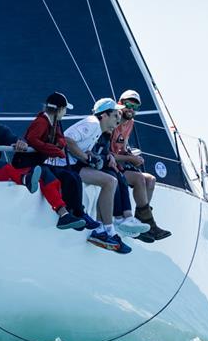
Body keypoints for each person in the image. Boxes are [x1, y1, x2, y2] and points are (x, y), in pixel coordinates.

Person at [0, 93, 85, 230]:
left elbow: (14, 138)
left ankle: (63, 214)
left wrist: (21, 142)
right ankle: (26, 179)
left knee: (44, 172)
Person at [55, 98, 150, 252]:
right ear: (104, 115)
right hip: (64, 166)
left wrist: (92, 156)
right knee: (110, 181)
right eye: (115, 115)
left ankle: (102, 230)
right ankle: (108, 230)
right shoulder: (92, 123)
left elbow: (80, 146)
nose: (118, 119)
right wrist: (87, 158)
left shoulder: (98, 129)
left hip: (72, 165)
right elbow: (67, 140)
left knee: (111, 180)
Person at [13, 92, 100, 231]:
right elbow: (33, 140)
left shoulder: (54, 123)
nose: (65, 113)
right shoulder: (41, 122)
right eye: (64, 109)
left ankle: (78, 212)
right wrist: (55, 150)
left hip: (40, 163)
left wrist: (57, 145)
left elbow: (61, 139)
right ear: (59, 110)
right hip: (28, 164)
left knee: (73, 177)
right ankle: (69, 213)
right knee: (58, 178)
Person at [113, 89, 171, 241]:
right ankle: (149, 224)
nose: (131, 109)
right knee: (139, 179)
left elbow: (123, 147)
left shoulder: (130, 122)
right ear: (120, 104)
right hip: (110, 165)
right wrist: (131, 160)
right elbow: (106, 153)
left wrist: (131, 156)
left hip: (120, 163)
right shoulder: (113, 120)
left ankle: (140, 221)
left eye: (135, 107)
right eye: (128, 104)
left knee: (150, 179)